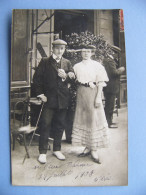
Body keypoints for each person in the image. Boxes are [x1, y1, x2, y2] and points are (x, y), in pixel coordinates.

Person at [33, 39, 75, 164]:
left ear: (64, 50)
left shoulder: (67, 62)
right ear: (53, 49)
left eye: (62, 49)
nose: (60, 51)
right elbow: (37, 80)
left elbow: (73, 81)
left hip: (63, 99)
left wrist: (66, 77)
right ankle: (42, 152)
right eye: (57, 48)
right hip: (49, 99)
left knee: (60, 124)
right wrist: (41, 95)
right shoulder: (45, 61)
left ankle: (57, 149)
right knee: (45, 124)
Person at [72, 45, 109, 164]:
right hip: (81, 95)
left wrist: (98, 98)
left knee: (93, 120)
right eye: (83, 51)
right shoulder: (76, 66)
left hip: (93, 95)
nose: (86, 53)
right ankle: (87, 147)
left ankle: (94, 149)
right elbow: (74, 81)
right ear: (81, 53)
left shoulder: (97, 65)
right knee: (84, 120)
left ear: (92, 53)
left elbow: (101, 83)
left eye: (88, 51)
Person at [103, 46, 125, 128]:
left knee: (110, 105)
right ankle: (108, 123)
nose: (117, 56)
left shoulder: (109, 60)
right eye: (117, 54)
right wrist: (121, 69)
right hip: (111, 87)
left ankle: (109, 121)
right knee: (109, 105)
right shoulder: (110, 61)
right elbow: (114, 73)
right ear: (113, 53)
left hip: (110, 87)